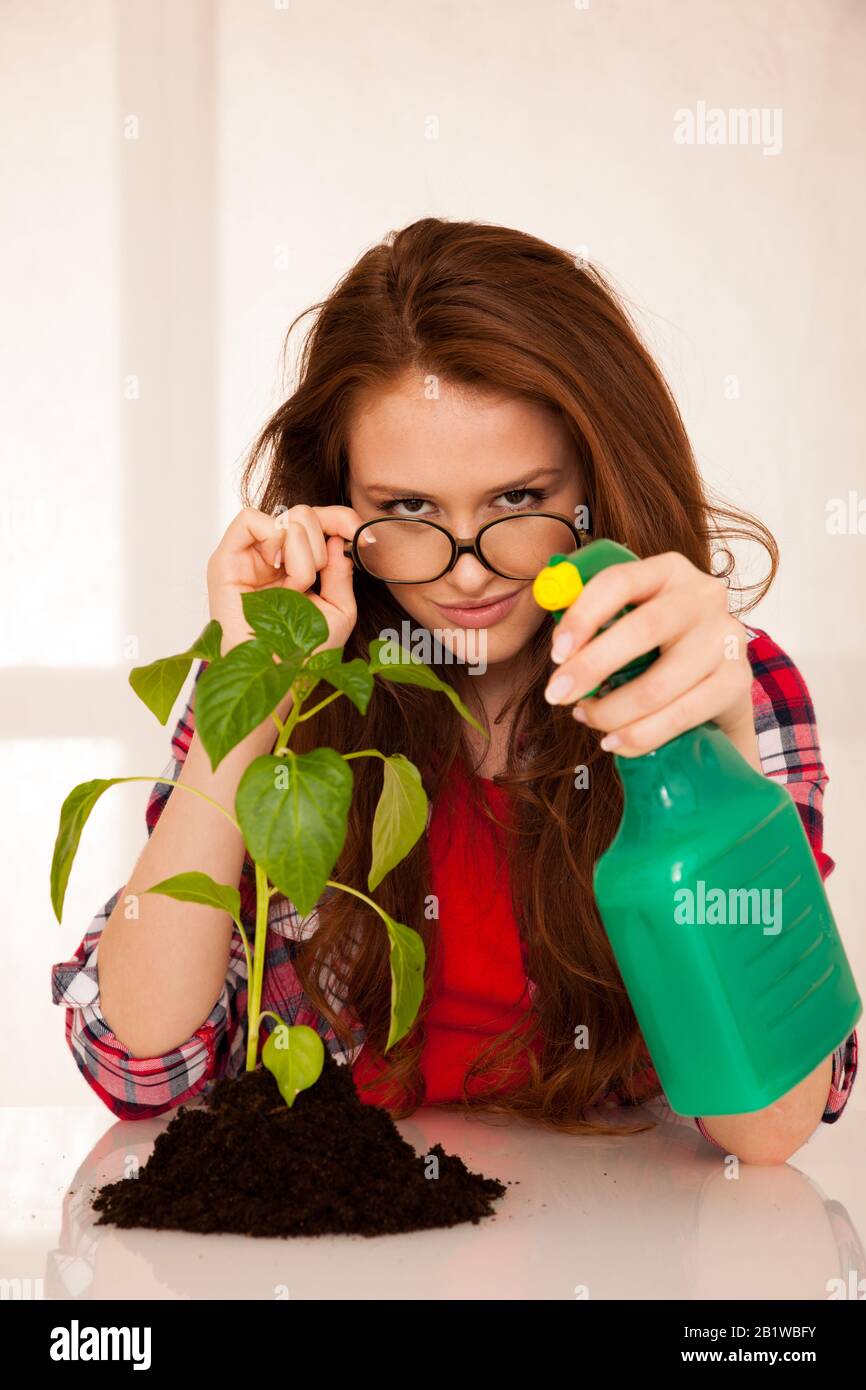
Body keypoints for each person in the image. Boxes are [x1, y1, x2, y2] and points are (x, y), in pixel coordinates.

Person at [51, 217, 857, 1164]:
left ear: (598, 478)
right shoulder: (296, 682)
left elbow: (766, 1130)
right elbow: (140, 1063)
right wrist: (256, 690)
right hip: (359, 1230)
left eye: (519, 501)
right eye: (407, 510)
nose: (469, 573)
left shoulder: (723, 672)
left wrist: (714, 745)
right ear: (339, 499)